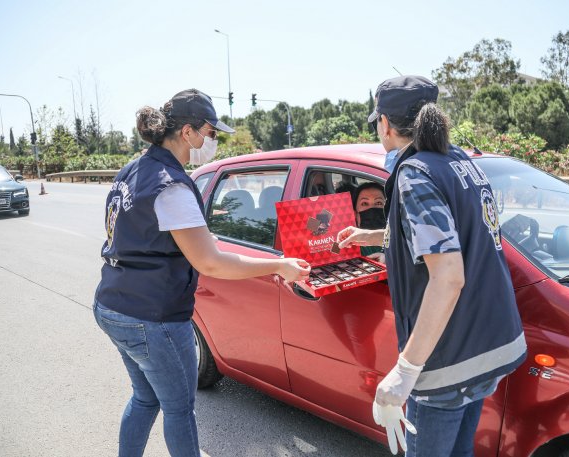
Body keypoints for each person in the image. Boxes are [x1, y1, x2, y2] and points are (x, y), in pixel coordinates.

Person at [93, 89, 310, 457]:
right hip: (153, 316)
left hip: (113, 303)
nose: (213, 141)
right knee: (179, 409)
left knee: (145, 398)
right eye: (211, 133)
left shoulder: (134, 169)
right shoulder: (172, 185)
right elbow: (210, 263)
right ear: (189, 133)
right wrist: (279, 265)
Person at [337, 76, 526, 456]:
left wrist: (406, 371)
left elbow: (448, 275)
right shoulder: (458, 162)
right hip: (488, 343)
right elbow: (454, 235)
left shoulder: (414, 175)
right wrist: (371, 236)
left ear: (386, 124)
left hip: (447, 359)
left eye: (378, 122)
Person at [352, 182, 386, 261]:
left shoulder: (398, 236)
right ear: (354, 213)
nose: (372, 208)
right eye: (364, 203)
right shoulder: (347, 239)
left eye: (378, 203)